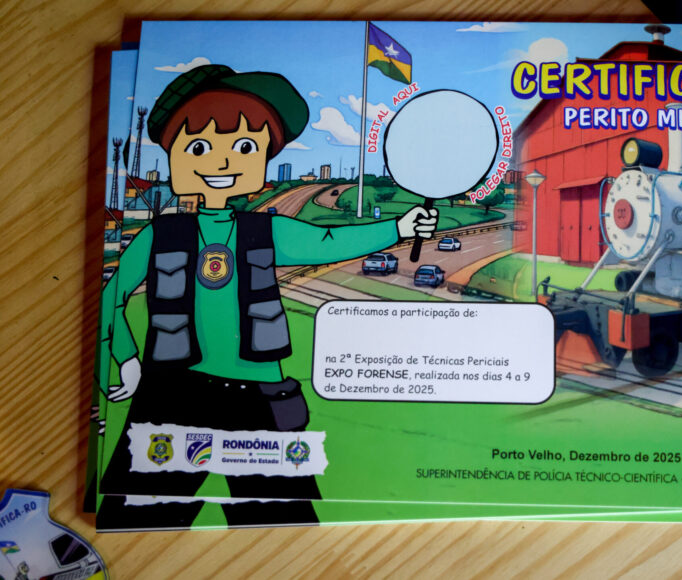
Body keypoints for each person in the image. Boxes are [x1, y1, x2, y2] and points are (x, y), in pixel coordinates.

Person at [99, 64, 437, 527]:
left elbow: (329, 242)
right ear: (172, 155)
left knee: (283, 518)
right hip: (172, 393)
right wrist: (126, 359)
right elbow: (111, 299)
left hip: (257, 397)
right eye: (198, 148)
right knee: (138, 515)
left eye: (244, 147)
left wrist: (399, 227)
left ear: (263, 158)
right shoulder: (159, 234)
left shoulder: (266, 229)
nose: (222, 163)